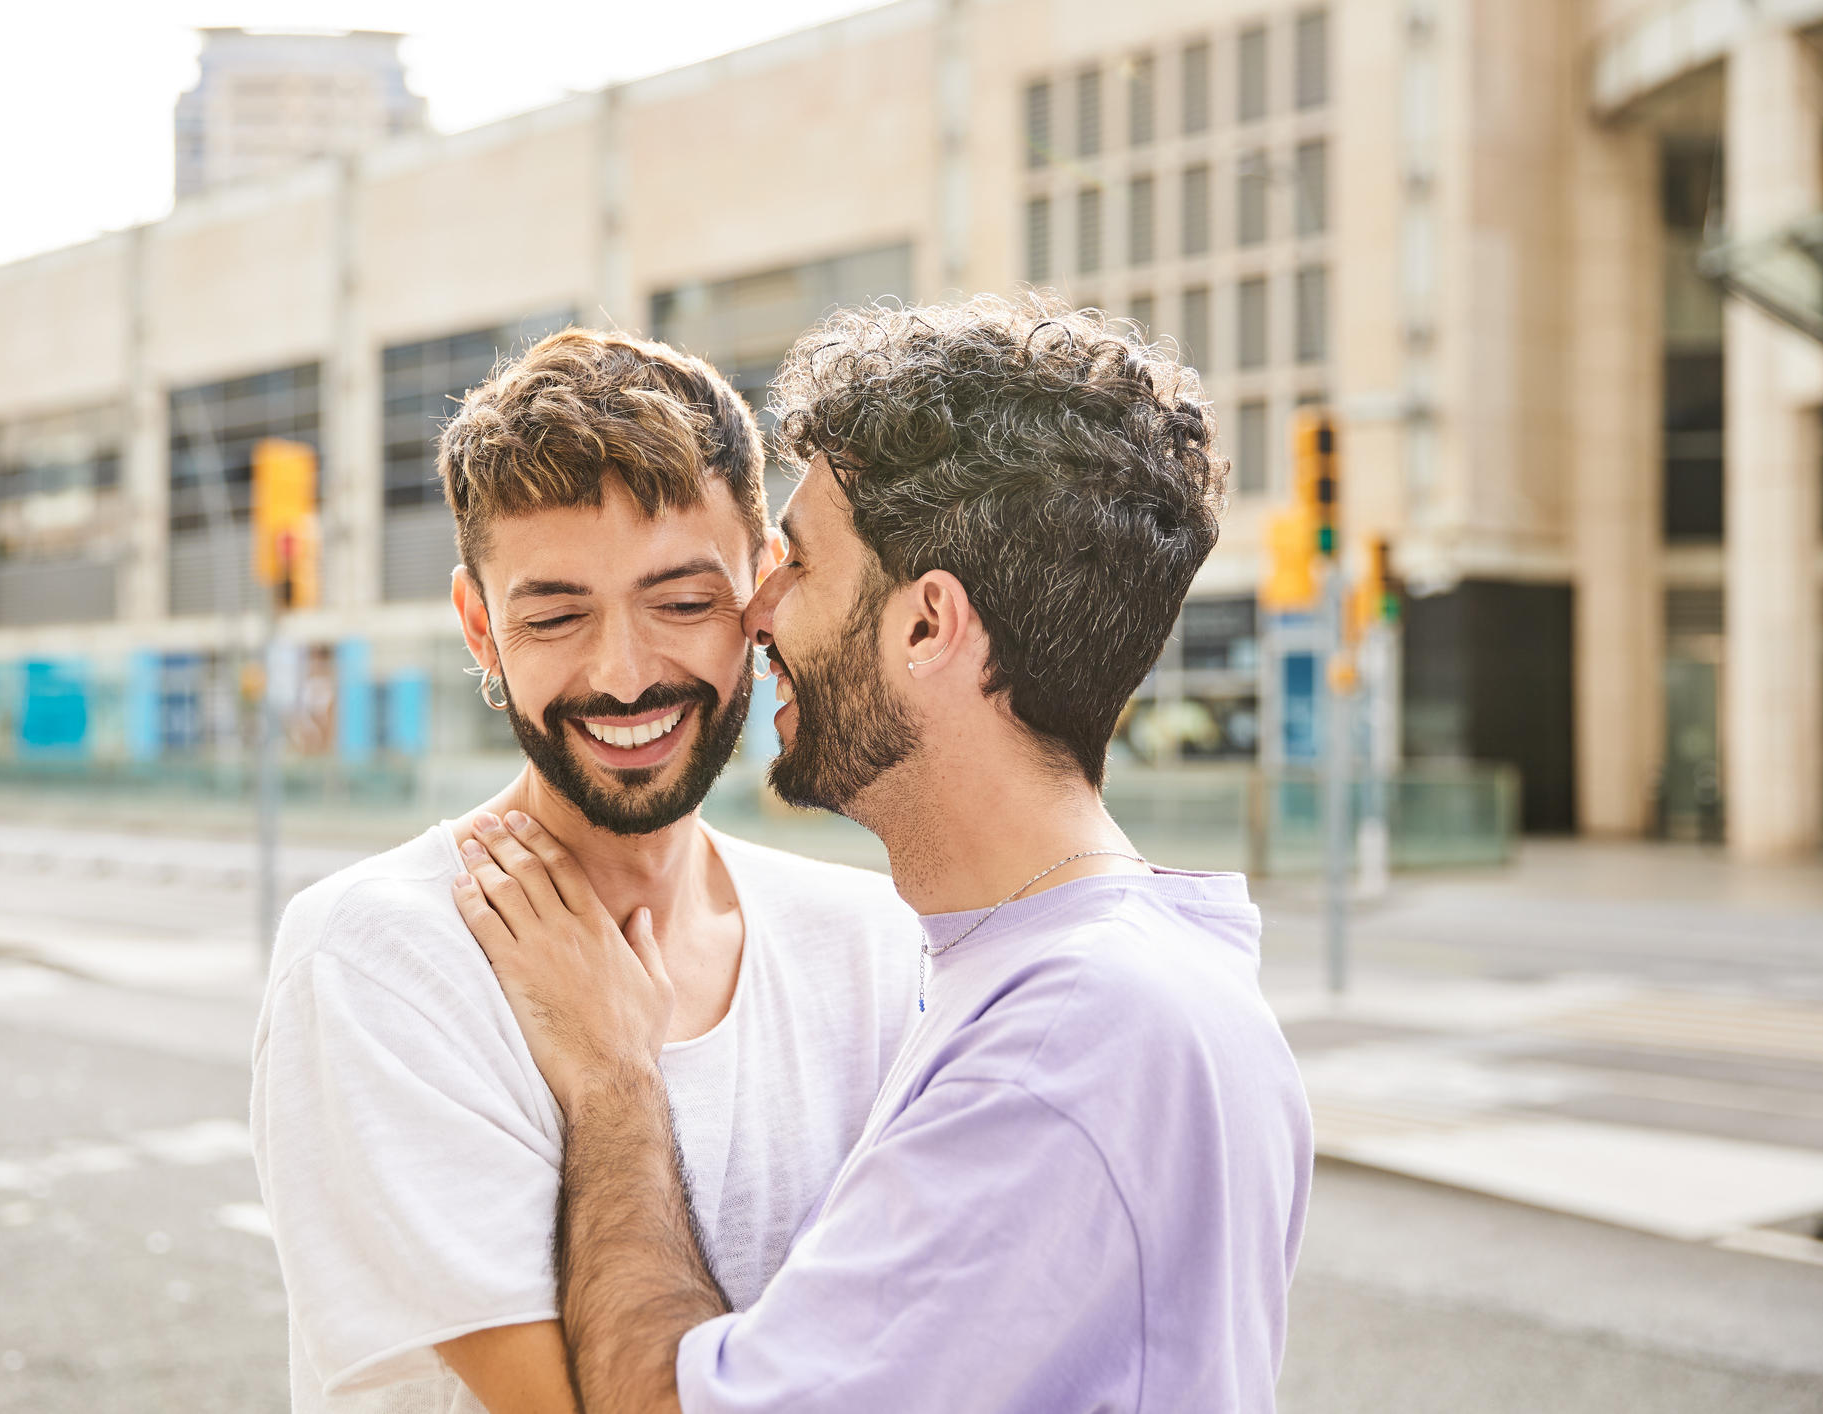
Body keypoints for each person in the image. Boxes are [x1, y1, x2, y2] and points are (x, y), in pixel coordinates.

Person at [454, 297, 1314, 1414]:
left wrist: (617, 1085)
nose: (756, 609)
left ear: (926, 624)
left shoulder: (1063, 1044)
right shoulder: (1077, 973)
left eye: (798, 564)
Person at [249, 328, 920, 1414]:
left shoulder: (872, 941)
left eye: (684, 603)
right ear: (480, 624)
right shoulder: (380, 955)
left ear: (762, 586)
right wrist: (614, 1083)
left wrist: (615, 1071)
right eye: (556, 615)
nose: (623, 675)